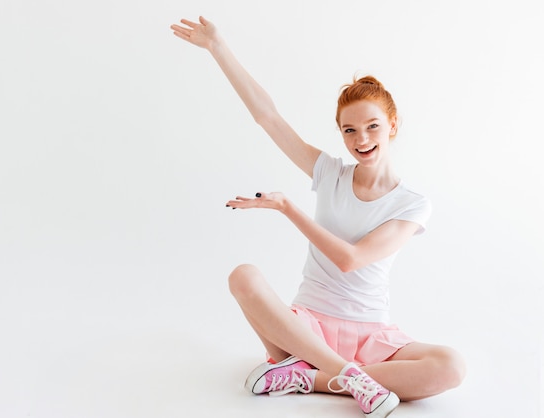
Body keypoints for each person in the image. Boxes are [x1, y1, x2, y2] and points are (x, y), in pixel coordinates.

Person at [170, 16, 466, 418]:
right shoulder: (329, 174)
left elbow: (351, 259)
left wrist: (289, 208)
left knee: (451, 367)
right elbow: (268, 118)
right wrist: (218, 47)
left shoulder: (412, 205)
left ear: (392, 126)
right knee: (243, 276)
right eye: (349, 130)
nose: (360, 140)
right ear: (341, 133)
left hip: (371, 334)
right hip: (305, 329)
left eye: (372, 126)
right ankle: (346, 374)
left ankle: (310, 378)